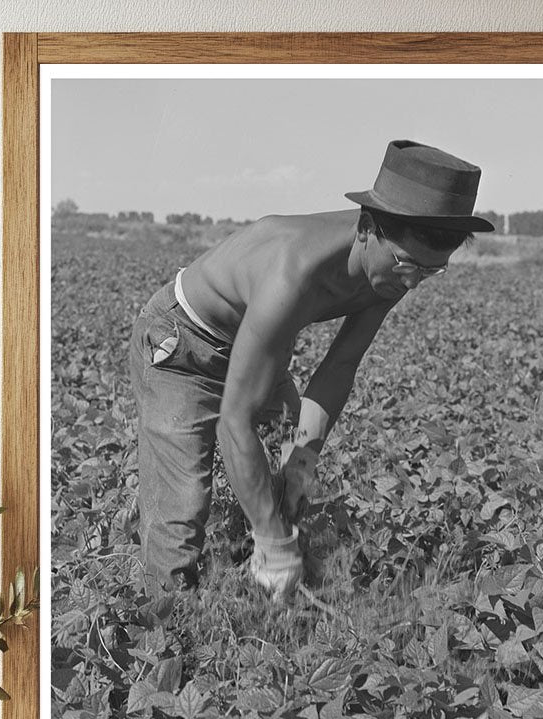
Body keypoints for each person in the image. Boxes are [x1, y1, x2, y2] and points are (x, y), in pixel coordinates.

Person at [129, 139, 494, 599]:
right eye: (407, 264)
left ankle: (256, 574)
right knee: (181, 508)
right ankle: (167, 624)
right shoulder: (292, 273)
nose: (413, 280)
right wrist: (273, 540)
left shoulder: (396, 264)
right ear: (367, 228)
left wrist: (304, 458)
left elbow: (341, 362)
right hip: (183, 347)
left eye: (431, 270)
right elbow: (234, 420)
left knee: (289, 475)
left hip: (261, 349)